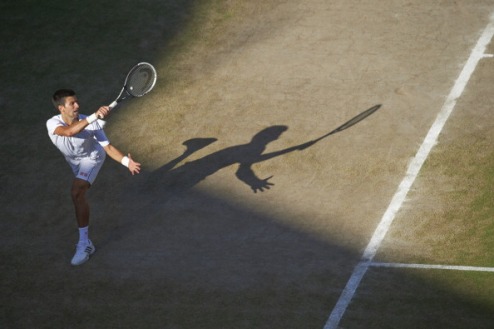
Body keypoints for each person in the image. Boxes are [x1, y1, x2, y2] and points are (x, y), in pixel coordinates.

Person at [46, 89, 141, 266]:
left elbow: (108, 147)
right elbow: (68, 132)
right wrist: (93, 117)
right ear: (61, 109)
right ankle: (85, 242)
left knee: (76, 193)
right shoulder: (52, 123)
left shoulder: (93, 123)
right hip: (74, 161)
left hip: (92, 158)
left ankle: (85, 244)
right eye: (72, 103)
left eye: (77, 101)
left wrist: (126, 161)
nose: (77, 105)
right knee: (78, 195)